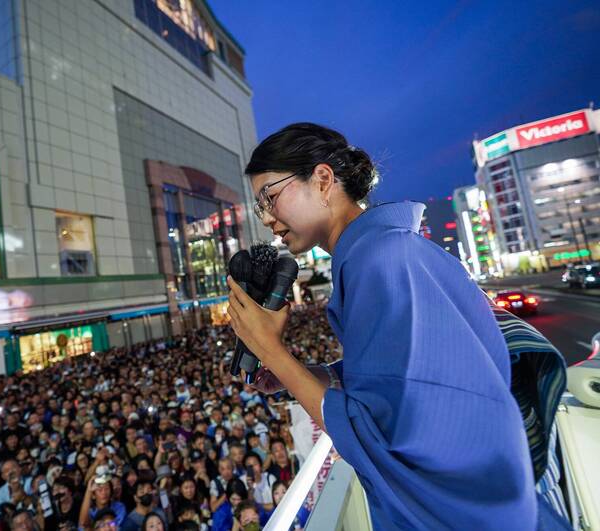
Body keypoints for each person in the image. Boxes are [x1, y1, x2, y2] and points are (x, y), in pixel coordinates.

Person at [225, 122, 565, 530]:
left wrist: (273, 352)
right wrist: (299, 373)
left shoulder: (382, 259)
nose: (265, 217)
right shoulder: (379, 252)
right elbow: (408, 375)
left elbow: (377, 427)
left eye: (270, 197)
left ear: (322, 179)